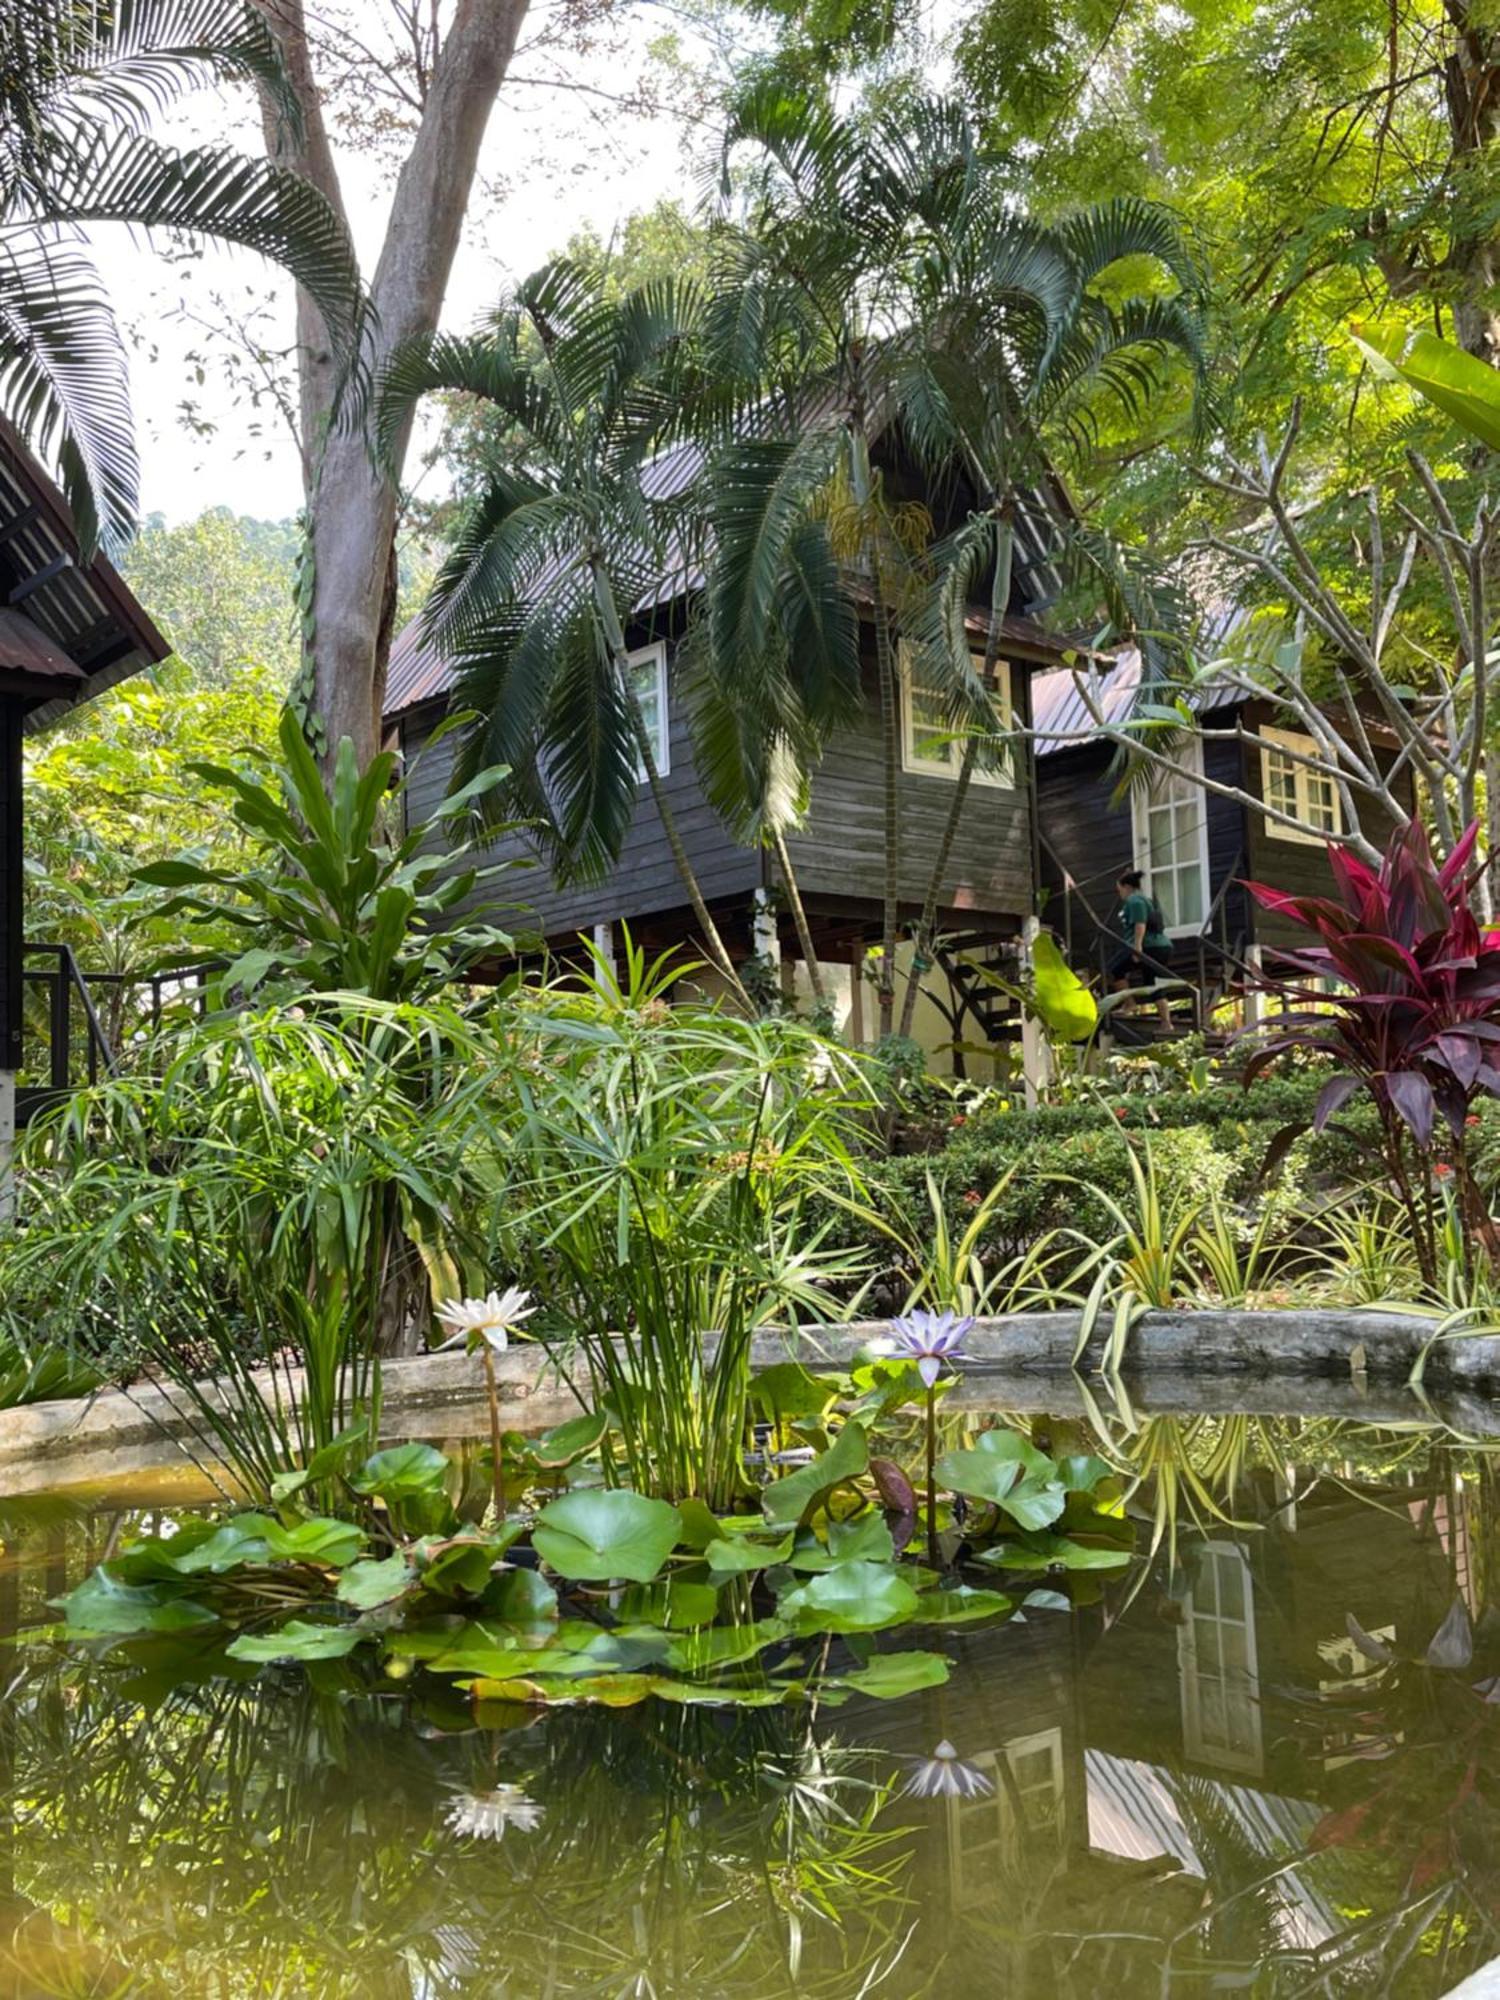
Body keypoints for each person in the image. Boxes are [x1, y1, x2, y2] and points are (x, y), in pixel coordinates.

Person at [1110, 868, 1174, 1030]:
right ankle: (1166, 1023)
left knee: (1115, 969)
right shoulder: (1145, 900)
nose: (1120, 895)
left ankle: (1129, 1004)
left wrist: (1137, 948)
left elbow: (1140, 924)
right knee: (1152, 983)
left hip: (1148, 946)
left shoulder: (1135, 901)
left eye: (1120, 890)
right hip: (1160, 946)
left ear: (1126, 887)